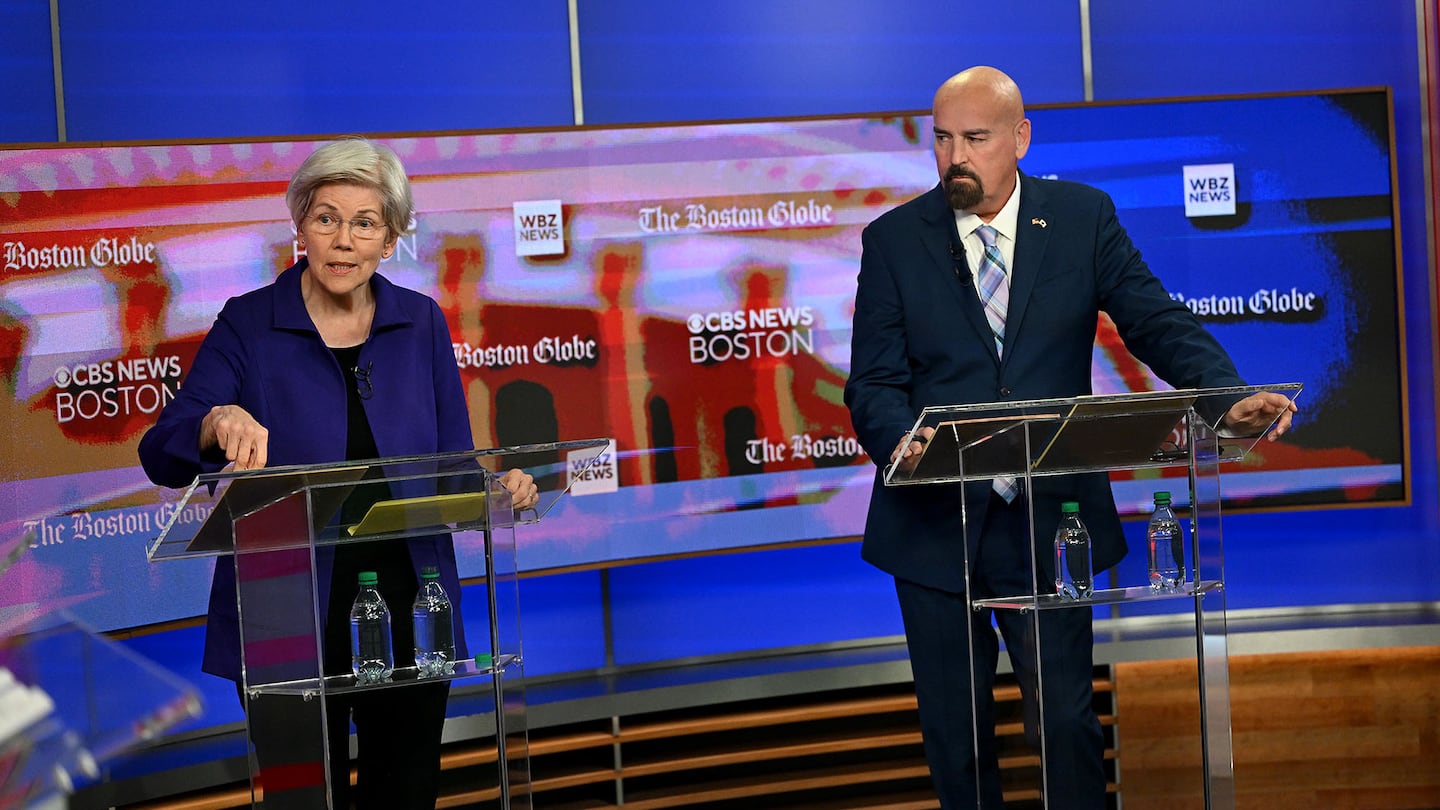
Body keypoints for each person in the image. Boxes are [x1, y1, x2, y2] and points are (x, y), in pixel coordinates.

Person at [843, 67, 1296, 809]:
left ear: (1020, 138)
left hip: (1052, 523)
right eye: (943, 139)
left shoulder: (1082, 219)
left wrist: (1226, 398)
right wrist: (903, 444)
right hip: (934, 528)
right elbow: (875, 383)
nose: (956, 156)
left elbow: (1156, 321)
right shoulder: (893, 240)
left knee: (1065, 726)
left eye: (976, 138)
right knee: (957, 744)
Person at [138, 138, 539, 809]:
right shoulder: (248, 323)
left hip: (414, 605)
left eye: (365, 222)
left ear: (391, 238)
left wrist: (495, 492)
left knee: (404, 795)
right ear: (299, 227)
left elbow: (452, 468)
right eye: (326, 218)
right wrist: (216, 422)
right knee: (300, 801)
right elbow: (163, 447)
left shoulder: (422, 323)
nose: (343, 240)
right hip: (284, 615)